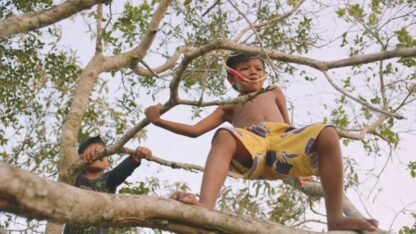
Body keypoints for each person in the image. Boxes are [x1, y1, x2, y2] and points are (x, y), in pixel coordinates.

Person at [144, 53, 378, 231]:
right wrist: (158, 121)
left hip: (281, 143)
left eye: (258, 68)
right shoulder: (229, 106)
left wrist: (296, 170)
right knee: (224, 135)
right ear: (231, 78)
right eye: (245, 69)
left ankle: (335, 218)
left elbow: (290, 127)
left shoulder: (274, 91)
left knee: (328, 132)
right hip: (250, 147)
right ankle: (205, 207)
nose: (253, 72)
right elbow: (195, 131)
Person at [63, 136, 152, 234]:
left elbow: (122, 171)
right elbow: (67, 172)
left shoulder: (109, 180)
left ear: (107, 163)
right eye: (93, 151)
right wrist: (78, 159)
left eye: (102, 152)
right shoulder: (75, 178)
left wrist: (134, 158)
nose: (97, 154)